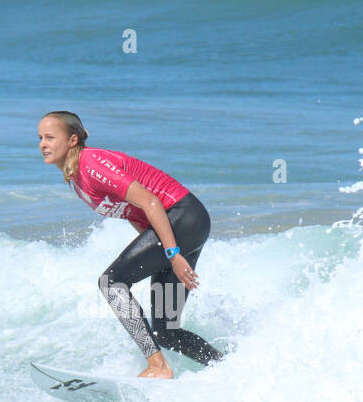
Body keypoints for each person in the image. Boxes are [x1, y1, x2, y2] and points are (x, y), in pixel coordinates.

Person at [38, 111, 225, 379]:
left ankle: (158, 367)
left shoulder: (91, 163)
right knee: (167, 331)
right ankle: (228, 367)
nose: (43, 144)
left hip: (183, 218)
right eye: (40, 138)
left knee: (111, 283)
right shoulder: (76, 179)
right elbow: (135, 213)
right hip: (179, 226)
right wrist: (159, 254)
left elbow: (150, 202)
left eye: (50, 137)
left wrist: (172, 255)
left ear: (72, 140)